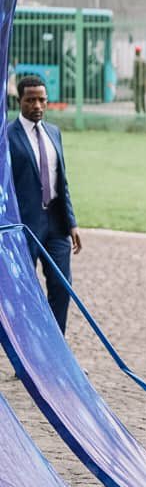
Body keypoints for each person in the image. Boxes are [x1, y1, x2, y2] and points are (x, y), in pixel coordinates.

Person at [6, 75, 83, 334]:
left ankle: (56, 354)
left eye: (42, 100)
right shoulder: (6, 136)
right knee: (24, 293)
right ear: (20, 101)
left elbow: (62, 181)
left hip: (57, 226)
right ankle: (28, 360)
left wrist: (71, 223)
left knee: (62, 289)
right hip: (24, 227)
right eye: (31, 100)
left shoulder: (54, 133)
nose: (37, 105)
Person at [132, 46, 146, 116]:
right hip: (144, 82)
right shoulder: (144, 61)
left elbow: (135, 73)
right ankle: (144, 110)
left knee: (137, 97)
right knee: (143, 97)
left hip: (137, 83)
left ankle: (138, 111)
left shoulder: (136, 61)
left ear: (136, 52)